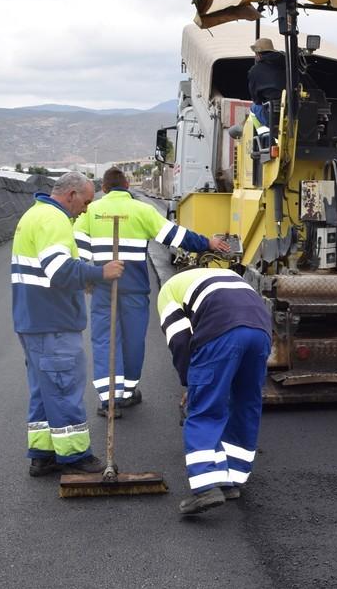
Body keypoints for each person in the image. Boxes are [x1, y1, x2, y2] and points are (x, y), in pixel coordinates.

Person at [74, 168, 229, 417]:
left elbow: (78, 246)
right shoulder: (142, 211)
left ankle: (109, 400)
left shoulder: (91, 212)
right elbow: (175, 236)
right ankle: (128, 392)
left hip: (104, 288)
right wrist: (207, 243)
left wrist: (87, 276)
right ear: (127, 185)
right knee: (133, 340)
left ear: (104, 188)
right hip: (134, 288)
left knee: (105, 340)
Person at [12, 171, 125, 477]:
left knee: (43, 389)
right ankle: (74, 454)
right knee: (63, 387)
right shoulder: (55, 219)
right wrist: (100, 273)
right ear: (71, 194)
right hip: (54, 322)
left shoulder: (34, 215)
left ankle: (43, 453)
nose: (86, 208)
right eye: (86, 201)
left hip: (33, 320)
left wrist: (82, 279)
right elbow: (60, 270)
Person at [156, 267, 272, 515]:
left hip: (222, 331)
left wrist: (190, 383)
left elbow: (179, 340)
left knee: (205, 409)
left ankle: (205, 486)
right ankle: (232, 479)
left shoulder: (168, 291)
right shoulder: (228, 276)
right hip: (261, 331)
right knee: (245, 404)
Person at [247, 37, 287, 126]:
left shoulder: (255, 70)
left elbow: (256, 99)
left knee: (254, 107)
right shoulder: (289, 64)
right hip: (292, 113)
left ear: (258, 54)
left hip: (272, 116)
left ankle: (262, 137)